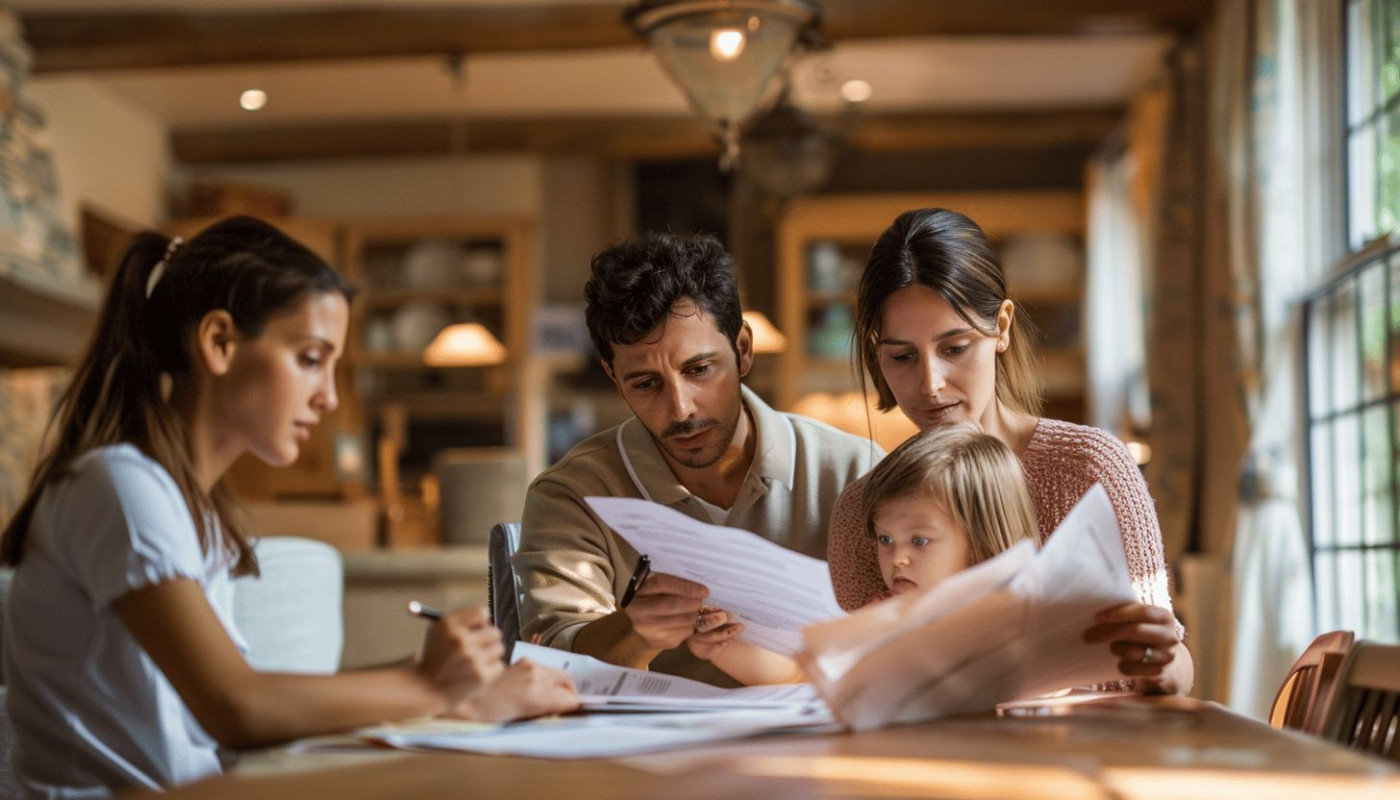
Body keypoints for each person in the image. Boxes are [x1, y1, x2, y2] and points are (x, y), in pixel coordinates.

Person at [0, 217, 578, 798]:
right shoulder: (120, 487)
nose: (328, 396)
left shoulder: (188, 509)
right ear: (220, 342)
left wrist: (441, 681)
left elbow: (261, 697)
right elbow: (237, 708)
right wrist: (433, 689)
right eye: (310, 358)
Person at [826, 207, 1193, 695]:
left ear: (1001, 326)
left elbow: (1173, 662)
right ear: (878, 355)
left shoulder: (1091, 467)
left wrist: (1160, 662)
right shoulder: (863, 512)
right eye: (902, 357)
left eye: (954, 348)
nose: (930, 385)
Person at [515, 231, 881, 687]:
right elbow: (548, 665)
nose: (681, 409)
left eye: (699, 370)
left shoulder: (858, 471)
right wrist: (632, 631)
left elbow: (909, 643)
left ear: (743, 349)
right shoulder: (572, 494)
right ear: (612, 375)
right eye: (646, 384)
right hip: (642, 750)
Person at [689, 424, 1039, 686]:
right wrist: (721, 648)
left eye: (919, 541)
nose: (897, 557)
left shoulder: (1018, 614)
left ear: (981, 542)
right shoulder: (882, 613)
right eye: (885, 539)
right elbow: (799, 673)